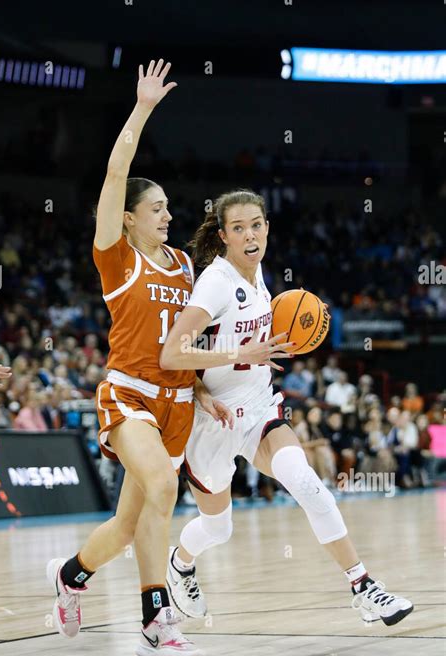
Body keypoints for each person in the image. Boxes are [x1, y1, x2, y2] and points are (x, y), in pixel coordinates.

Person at [45, 59, 234, 656]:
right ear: (128, 218)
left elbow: (184, 338)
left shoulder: (183, 264)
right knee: (160, 483)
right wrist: (144, 108)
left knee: (130, 527)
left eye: (169, 208)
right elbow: (115, 171)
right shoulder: (116, 257)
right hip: (129, 394)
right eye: (156, 209)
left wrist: (202, 388)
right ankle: (157, 621)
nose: (168, 215)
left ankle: (71, 575)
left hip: (178, 401)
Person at [160, 188, 413, 628]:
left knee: (307, 482)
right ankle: (180, 564)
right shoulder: (215, 283)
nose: (250, 234)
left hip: (259, 408)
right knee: (218, 528)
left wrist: (263, 352)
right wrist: (233, 361)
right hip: (214, 422)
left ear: (267, 228)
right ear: (223, 235)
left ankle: (364, 587)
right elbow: (172, 354)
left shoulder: (258, 276)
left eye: (256, 225)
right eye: (238, 228)